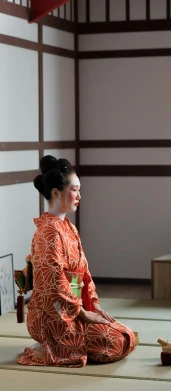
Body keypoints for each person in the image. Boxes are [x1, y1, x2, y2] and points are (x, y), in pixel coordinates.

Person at [17, 156, 136, 368]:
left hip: (73, 307)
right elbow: (53, 281)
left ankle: (55, 344)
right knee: (117, 343)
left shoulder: (68, 228)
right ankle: (47, 346)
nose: (80, 196)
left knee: (125, 334)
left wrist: (94, 307)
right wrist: (82, 313)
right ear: (55, 192)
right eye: (75, 189)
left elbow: (85, 273)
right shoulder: (48, 232)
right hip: (53, 314)